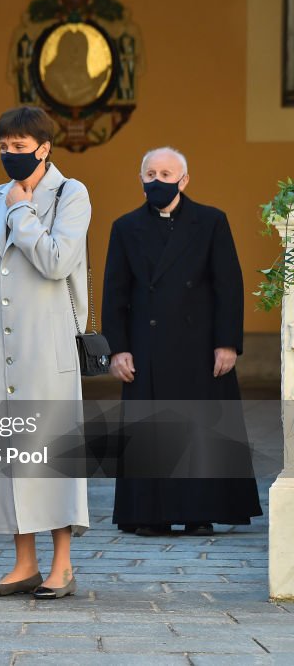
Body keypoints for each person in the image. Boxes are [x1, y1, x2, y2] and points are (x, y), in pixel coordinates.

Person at [0, 105, 90, 600]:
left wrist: (22, 210)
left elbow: (56, 262)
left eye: (20, 146)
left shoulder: (72, 195)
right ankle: (23, 562)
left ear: (44, 147)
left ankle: (63, 566)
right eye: (4, 146)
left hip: (45, 352)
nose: (11, 154)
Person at [102, 146, 262, 536]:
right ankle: (149, 515)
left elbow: (229, 286)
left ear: (184, 179)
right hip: (145, 347)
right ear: (141, 179)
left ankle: (198, 512)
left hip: (200, 347)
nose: (158, 181)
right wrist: (117, 349)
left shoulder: (211, 222)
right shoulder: (124, 227)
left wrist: (227, 343)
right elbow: (115, 292)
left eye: (167, 174)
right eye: (151, 174)